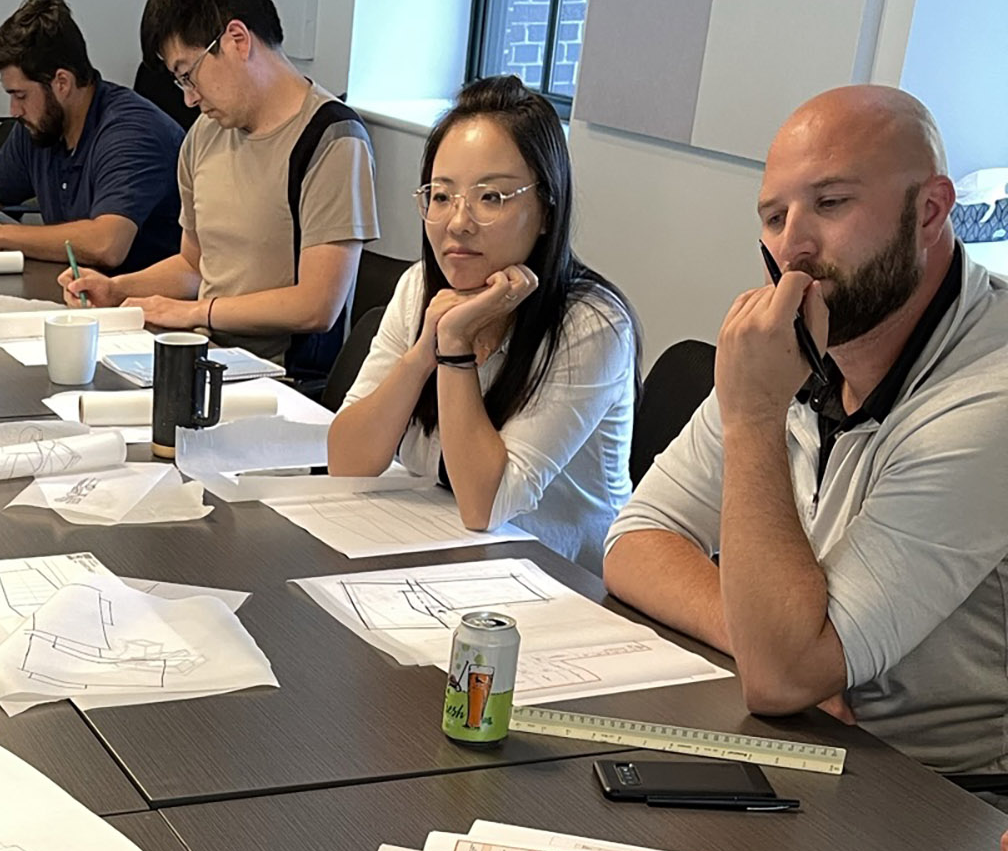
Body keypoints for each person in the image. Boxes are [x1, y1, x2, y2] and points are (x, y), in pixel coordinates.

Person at [603, 85, 1008, 786]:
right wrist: (765, 637)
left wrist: (755, 416)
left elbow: (781, 677)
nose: (793, 246)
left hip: (942, 801)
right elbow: (635, 540)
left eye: (831, 203)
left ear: (932, 211)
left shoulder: (989, 395)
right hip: (806, 740)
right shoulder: (807, 338)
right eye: (773, 215)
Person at [327, 76, 638, 572]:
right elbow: (346, 463)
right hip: (436, 554)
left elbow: (484, 506)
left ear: (545, 212)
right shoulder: (418, 289)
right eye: (442, 196)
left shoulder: (591, 325)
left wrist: (453, 346)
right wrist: (424, 350)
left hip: (558, 583)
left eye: (490, 197)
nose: (457, 222)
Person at [57, 0, 376, 384]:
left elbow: (318, 305)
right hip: (202, 357)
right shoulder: (204, 136)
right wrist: (118, 288)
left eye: (188, 74)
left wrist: (194, 312)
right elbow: (194, 266)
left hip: (280, 382)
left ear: (237, 40)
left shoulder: (331, 138)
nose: (188, 97)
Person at [0, 0, 184, 273]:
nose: (13, 110)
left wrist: (2, 236)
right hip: (78, 294)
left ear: (62, 83)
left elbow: (107, 244)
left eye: (20, 95)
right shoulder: (44, 126)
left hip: (142, 307)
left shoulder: (131, 133)